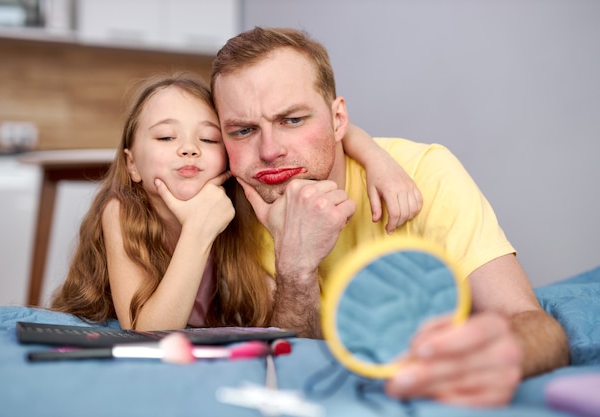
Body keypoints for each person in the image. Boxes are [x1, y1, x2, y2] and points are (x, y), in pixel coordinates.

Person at [210, 27, 570, 406]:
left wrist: (495, 357)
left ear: (338, 120)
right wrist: (295, 269)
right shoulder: (225, 210)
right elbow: (296, 366)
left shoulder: (426, 173)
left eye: (293, 120)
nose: (269, 151)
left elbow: (532, 323)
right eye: (244, 130)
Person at [50, 72, 422, 332]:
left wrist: (377, 159)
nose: (188, 148)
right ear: (132, 164)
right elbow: (148, 332)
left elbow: (329, 126)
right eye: (165, 137)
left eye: (209, 140)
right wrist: (198, 228)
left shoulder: (243, 203)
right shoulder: (123, 212)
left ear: (229, 154)